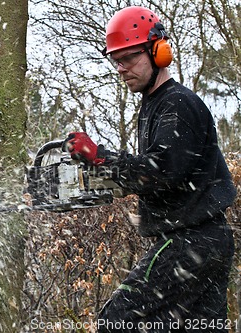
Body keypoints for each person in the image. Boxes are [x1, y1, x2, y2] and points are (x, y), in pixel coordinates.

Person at [65, 6, 237, 332]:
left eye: (129, 57)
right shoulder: (155, 105)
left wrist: (99, 157)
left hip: (189, 240)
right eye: (116, 59)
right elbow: (159, 175)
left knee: (117, 320)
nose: (121, 68)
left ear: (157, 50)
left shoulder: (176, 104)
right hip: (206, 239)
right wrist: (105, 179)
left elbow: (159, 171)